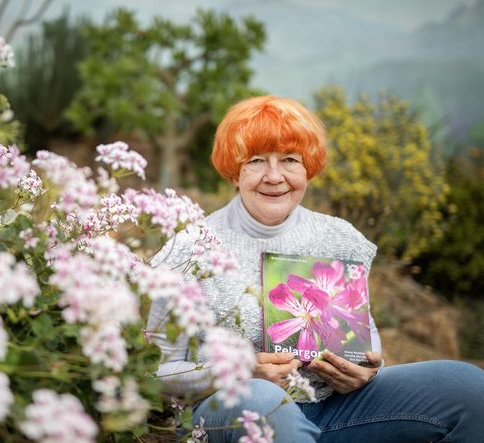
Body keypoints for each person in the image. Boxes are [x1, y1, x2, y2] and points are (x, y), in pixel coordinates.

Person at [146, 96, 484, 442]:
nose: (274, 176)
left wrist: (367, 369)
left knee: (467, 387)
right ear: (235, 170)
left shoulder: (338, 236)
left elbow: (364, 331)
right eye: (257, 161)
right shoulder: (190, 247)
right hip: (232, 411)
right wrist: (236, 371)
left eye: (290, 160)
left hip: (334, 410)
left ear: (308, 167)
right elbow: (156, 371)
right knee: (262, 399)